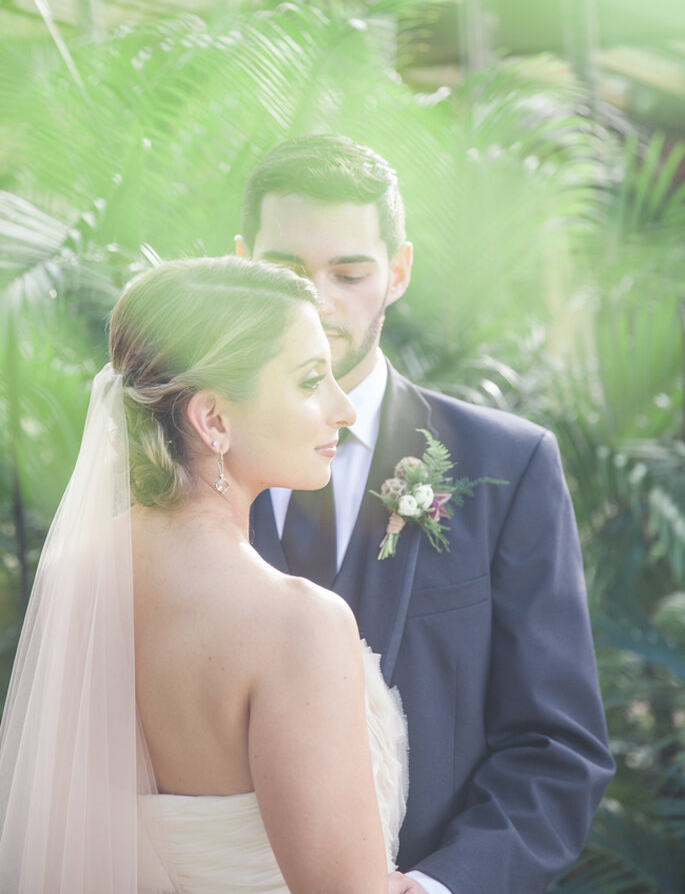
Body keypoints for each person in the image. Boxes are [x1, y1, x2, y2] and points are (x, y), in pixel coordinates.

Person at [238, 134, 615, 894]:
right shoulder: (185, 465)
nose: (317, 299)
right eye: (285, 271)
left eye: (349, 272)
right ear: (241, 264)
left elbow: (556, 746)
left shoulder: (506, 467)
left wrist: (441, 887)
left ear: (398, 272)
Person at [0, 255, 408, 894]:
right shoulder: (298, 624)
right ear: (213, 420)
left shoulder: (74, 577)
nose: (343, 409)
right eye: (309, 381)